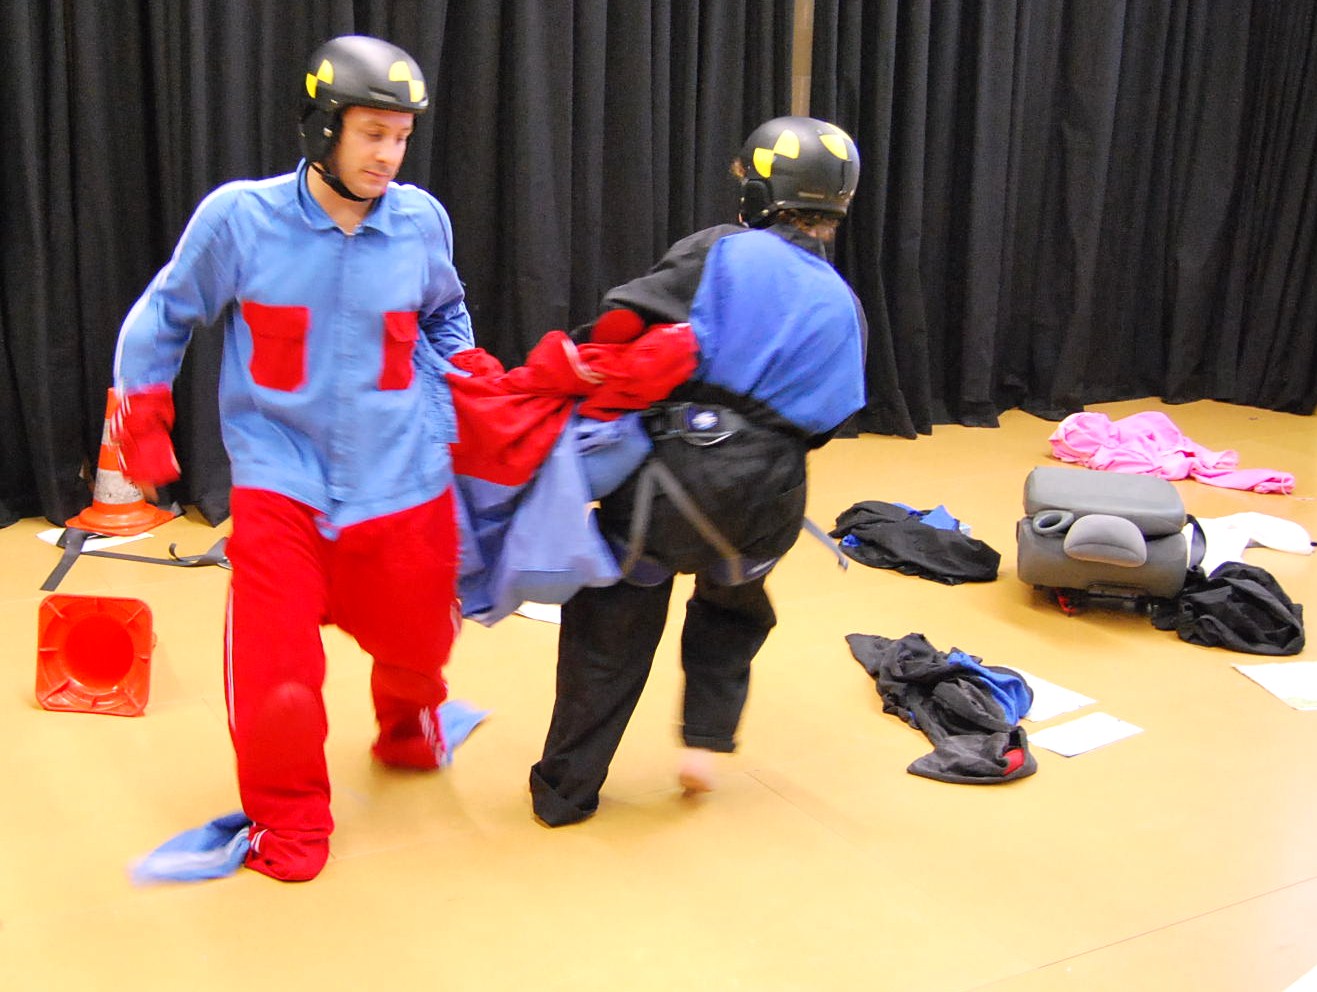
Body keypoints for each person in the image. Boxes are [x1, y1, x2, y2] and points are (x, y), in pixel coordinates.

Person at [111, 35, 474, 881]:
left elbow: (445, 315)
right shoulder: (241, 220)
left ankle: (409, 724)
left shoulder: (421, 222)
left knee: (422, 641)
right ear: (323, 128)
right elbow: (164, 313)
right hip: (283, 484)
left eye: (401, 138)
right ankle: (289, 823)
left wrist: (464, 385)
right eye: (372, 134)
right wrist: (141, 412)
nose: (388, 156)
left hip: (403, 480)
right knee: (275, 676)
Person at [529, 116, 867, 826]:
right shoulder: (845, 304)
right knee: (731, 609)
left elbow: (618, 323)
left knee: (610, 625)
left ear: (760, 192)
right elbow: (828, 423)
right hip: (769, 504)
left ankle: (565, 790)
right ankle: (704, 746)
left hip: (672, 488)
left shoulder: (720, 251)